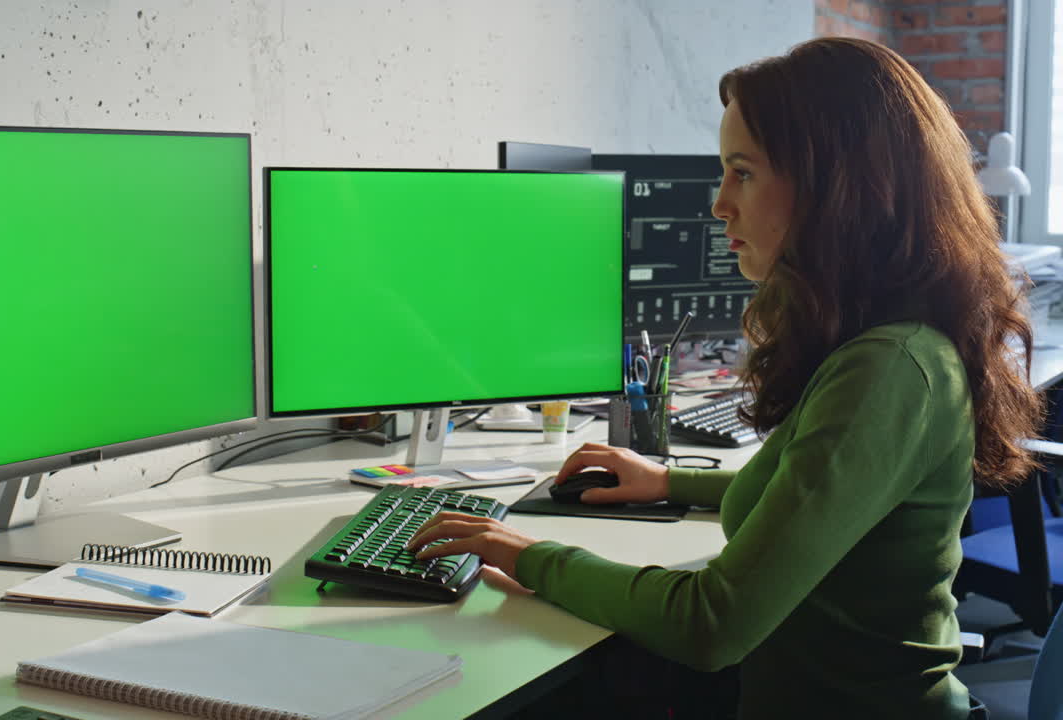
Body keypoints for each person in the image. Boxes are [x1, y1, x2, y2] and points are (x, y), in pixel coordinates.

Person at [407, 37, 1044, 719]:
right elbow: (810, 496)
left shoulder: (889, 369)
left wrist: (531, 556)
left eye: (742, 172)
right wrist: (667, 481)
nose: (719, 205)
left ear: (836, 187)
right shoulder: (882, 341)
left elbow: (712, 623)